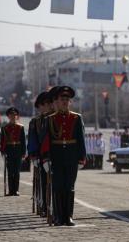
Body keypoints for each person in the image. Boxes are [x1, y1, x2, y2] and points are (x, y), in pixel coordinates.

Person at [41, 86, 86, 226]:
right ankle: (59, 216)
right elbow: (46, 141)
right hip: (57, 157)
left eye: (67, 99)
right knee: (58, 186)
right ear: (57, 102)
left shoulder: (76, 118)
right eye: (62, 99)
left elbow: (81, 139)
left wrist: (81, 157)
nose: (65, 102)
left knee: (70, 186)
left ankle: (69, 216)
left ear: (70, 102)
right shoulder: (50, 119)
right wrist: (46, 158)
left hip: (72, 156)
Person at [27, 91, 52, 216]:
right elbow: (32, 141)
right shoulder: (35, 122)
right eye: (42, 105)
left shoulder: (53, 118)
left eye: (47, 104)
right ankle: (44, 205)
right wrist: (34, 156)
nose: (44, 108)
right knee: (43, 181)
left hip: (54, 154)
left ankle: (54, 206)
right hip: (41, 156)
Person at [0, 107, 26, 196]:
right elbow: (2, 141)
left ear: (17, 116)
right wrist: (2, 151)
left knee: (17, 171)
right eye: (11, 115)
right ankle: (11, 190)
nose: (13, 116)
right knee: (10, 171)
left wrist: (23, 152)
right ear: (8, 116)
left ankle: (16, 190)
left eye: (14, 115)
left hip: (18, 150)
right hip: (9, 151)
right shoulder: (5, 128)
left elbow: (23, 141)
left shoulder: (21, 127)